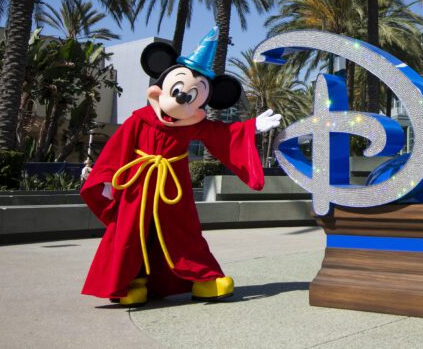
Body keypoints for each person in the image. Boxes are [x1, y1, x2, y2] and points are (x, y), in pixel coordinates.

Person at [80, 28, 281, 306]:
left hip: (172, 188)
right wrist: (104, 178)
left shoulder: (194, 125)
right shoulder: (138, 121)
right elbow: (116, 152)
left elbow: (221, 134)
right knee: (130, 231)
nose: (185, 97)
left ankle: (203, 277)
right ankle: (130, 281)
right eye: (179, 90)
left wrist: (252, 127)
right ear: (160, 87)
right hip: (137, 187)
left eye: (195, 94)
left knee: (184, 231)